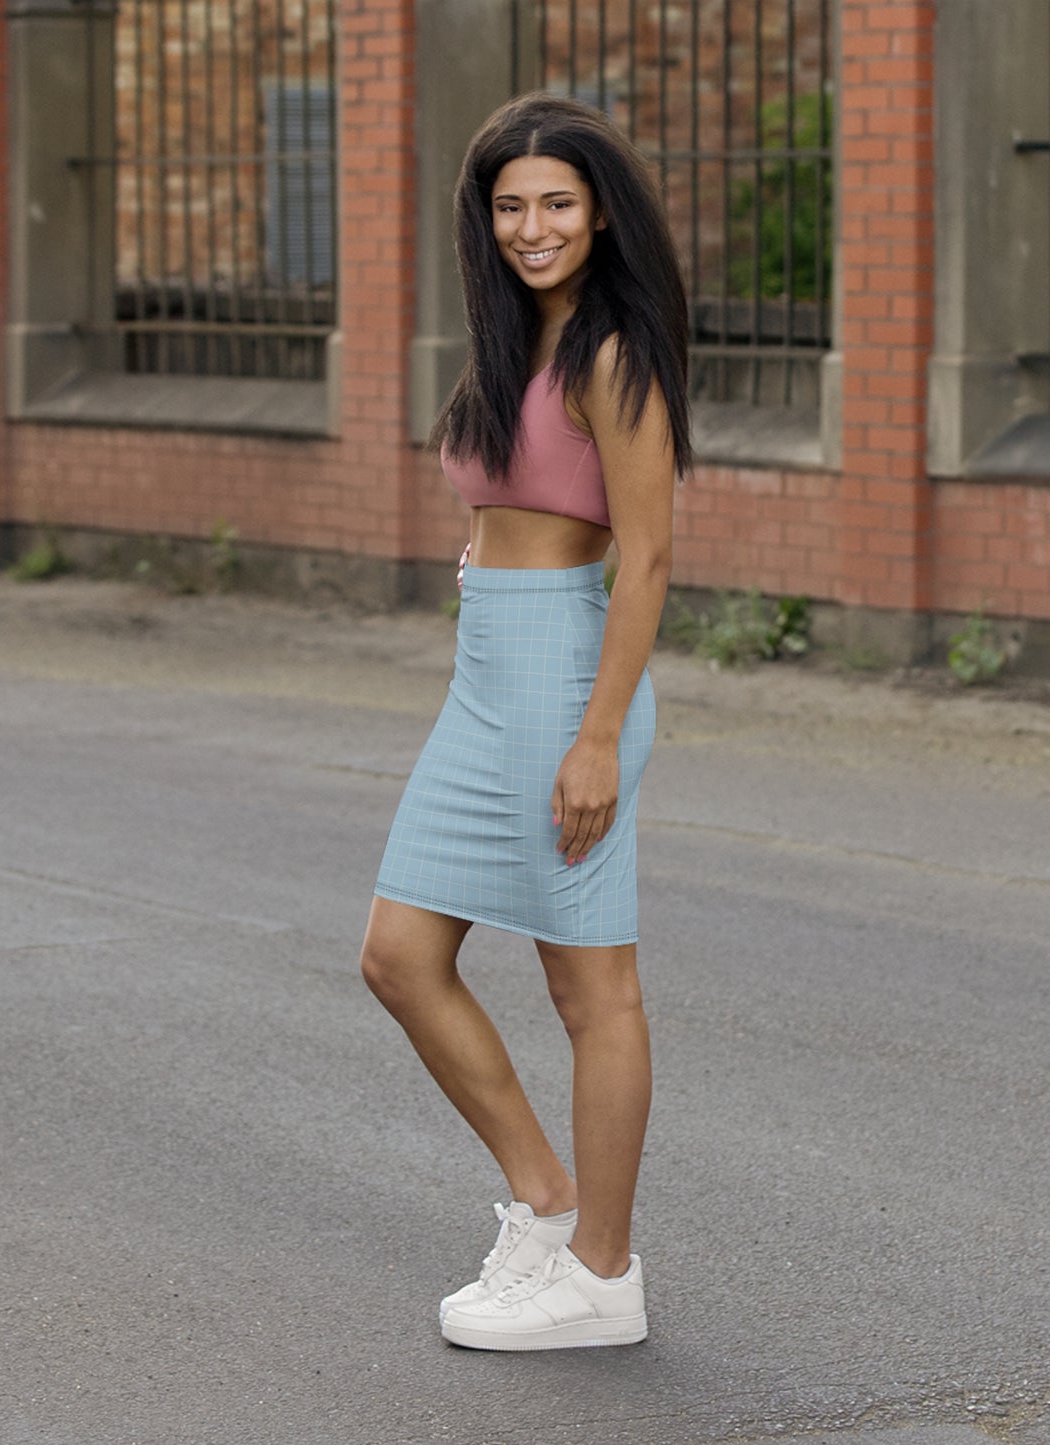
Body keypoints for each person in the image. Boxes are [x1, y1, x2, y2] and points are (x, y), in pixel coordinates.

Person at [359, 92, 692, 1352]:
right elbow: (498, 503)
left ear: (599, 210)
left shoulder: (613, 352)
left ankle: (602, 1272)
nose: (531, 226)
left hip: (565, 679)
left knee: (589, 985)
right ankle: (543, 1203)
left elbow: (648, 558)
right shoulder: (515, 346)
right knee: (397, 953)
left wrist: (599, 731)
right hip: (486, 674)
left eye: (555, 202)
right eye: (509, 206)